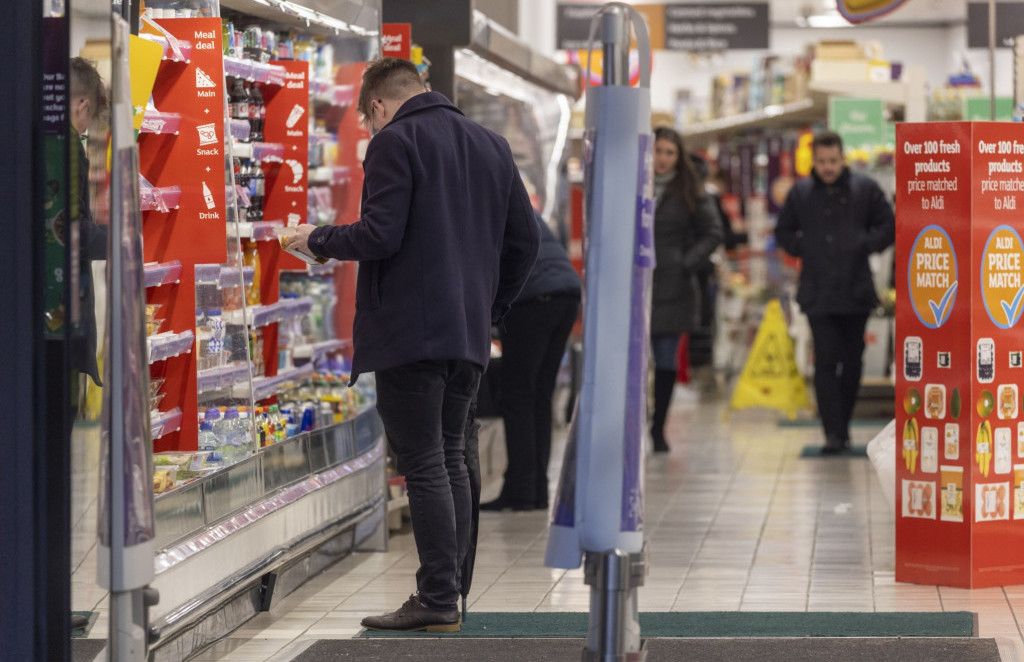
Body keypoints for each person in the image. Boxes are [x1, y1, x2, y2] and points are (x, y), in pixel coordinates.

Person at [283, 58, 539, 632]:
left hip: (409, 333)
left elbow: (380, 234)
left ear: (377, 106)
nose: (372, 133)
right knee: (450, 455)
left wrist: (316, 239)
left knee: (424, 461)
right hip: (467, 334)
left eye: (368, 123)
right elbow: (524, 243)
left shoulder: (395, 141)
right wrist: (488, 310)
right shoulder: (491, 143)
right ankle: (452, 592)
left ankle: (437, 597)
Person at [774, 131, 895, 454]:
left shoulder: (864, 189)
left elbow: (889, 224)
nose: (828, 168)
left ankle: (842, 426)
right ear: (813, 161)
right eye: (822, 162)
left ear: (842, 158)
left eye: (833, 161)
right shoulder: (801, 193)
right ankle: (833, 433)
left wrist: (864, 245)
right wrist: (805, 247)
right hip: (817, 290)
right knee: (825, 360)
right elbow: (783, 231)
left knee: (853, 360)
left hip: (855, 290)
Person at [480, 211, 581, 512]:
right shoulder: (512, 196)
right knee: (539, 395)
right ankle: (536, 491)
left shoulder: (476, 203)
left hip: (531, 297)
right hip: (566, 292)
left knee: (518, 394)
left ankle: (522, 491)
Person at [649, 127, 723, 452]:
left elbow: (713, 232)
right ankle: (638, 421)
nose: (662, 159)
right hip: (637, 285)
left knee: (665, 358)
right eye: (658, 151)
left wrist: (684, 262)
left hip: (674, 287)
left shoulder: (690, 190)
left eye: (669, 153)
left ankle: (658, 427)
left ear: (679, 158)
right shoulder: (635, 183)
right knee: (635, 361)